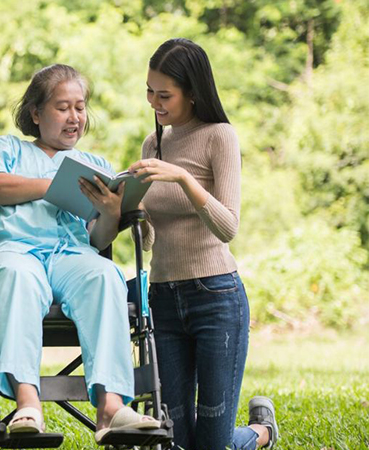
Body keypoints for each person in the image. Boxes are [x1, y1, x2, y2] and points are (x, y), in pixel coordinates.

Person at [0, 64, 160, 442]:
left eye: (81, 107)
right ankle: (27, 404)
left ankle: (111, 407)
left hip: (70, 256)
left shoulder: (95, 165)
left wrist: (111, 213)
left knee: (105, 275)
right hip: (13, 251)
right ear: (36, 114)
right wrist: (49, 184)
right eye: (63, 107)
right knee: (17, 276)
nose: (75, 118)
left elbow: (98, 239)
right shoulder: (8, 149)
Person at [126, 38, 280, 450]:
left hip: (215, 295)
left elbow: (228, 226)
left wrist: (183, 179)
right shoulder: (152, 144)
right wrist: (127, 210)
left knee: (212, 444)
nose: (154, 103)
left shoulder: (220, 136)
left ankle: (261, 433)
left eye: (164, 95)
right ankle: (256, 435)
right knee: (176, 440)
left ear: (192, 92)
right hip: (162, 296)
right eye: (149, 91)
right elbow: (151, 236)